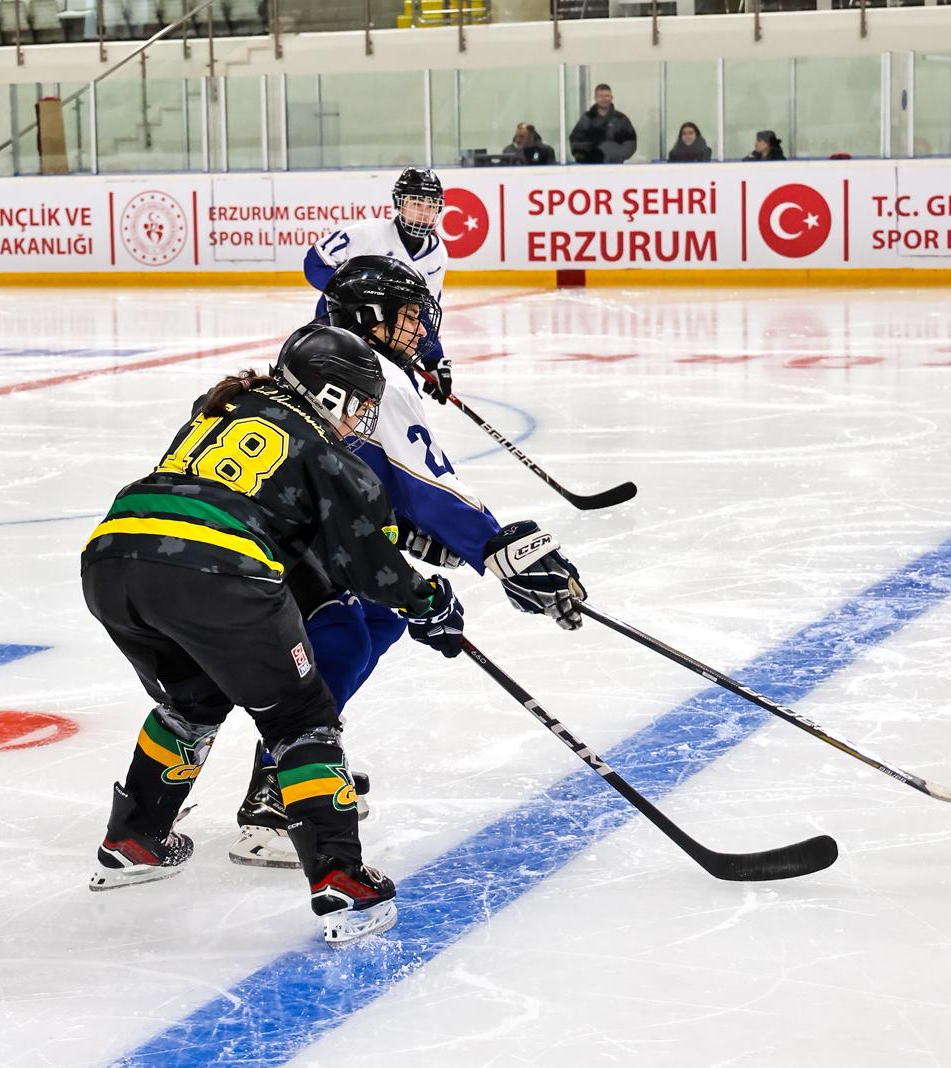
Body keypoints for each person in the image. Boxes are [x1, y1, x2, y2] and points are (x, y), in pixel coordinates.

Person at [82, 323, 469, 948]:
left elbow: (273, 510)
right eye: (359, 403)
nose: (362, 418)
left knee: (192, 701)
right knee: (302, 719)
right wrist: (426, 601)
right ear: (330, 392)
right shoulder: (325, 448)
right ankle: (341, 882)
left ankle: (134, 840)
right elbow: (364, 564)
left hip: (113, 559)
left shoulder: (224, 407)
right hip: (215, 570)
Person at [229, 255, 587, 869]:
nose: (420, 328)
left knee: (379, 618)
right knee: (344, 631)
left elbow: (374, 481)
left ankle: (306, 759)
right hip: (271, 538)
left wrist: (421, 541)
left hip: (277, 528)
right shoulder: (382, 381)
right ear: (369, 319)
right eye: (408, 316)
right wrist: (499, 550)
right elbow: (424, 484)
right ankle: (275, 794)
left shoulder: (341, 365)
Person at [305, 167, 453, 403]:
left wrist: (434, 360)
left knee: (406, 398)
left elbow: (422, 313)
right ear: (399, 203)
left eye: (431, 206)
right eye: (416, 204)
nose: (424, 213)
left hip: (392, 337)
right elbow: (315, 262)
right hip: (341, 328)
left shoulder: (436, 254)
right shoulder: (370, 233)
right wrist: (354, 300)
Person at [569, 84, 638, 164]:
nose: (604, 99)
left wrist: (613, 155)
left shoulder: (621, 119)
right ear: (595, 98)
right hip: (590, 167)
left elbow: (631, 143)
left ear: (611, 98)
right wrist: (588, 157)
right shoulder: (587, 118)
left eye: (607, 96)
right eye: (601, 96)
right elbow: (575, 141)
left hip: (615, 167)